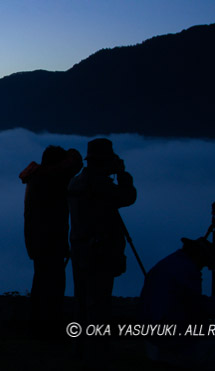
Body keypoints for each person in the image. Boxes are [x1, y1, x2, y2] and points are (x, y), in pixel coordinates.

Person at [67, 138, 136, 328]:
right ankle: (96, 349)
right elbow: (128, 197)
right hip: (99, 250)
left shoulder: (75, 182)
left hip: (79, 246)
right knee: (99, 302)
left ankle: (80, 347)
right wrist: (122, 174)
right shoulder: (99, 185)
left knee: (81, 299)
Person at [140, 237, 215, 369]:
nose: (203, 267)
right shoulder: (187, 270)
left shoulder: (169, 264)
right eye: (204, 263)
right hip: (169, 337)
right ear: (199, 255)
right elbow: (197, 308)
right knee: (213, 345)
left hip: (152, 332)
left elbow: (187, 300)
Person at [19, 145, 83, 333]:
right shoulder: (50, 177)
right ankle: (49, 324)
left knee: (42, 279)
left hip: (37, 237)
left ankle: (39, 321)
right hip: (50, 237)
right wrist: (72, 152)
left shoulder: (37, 176)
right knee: (53, 281)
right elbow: (75, 164)